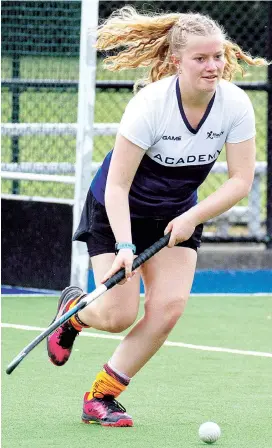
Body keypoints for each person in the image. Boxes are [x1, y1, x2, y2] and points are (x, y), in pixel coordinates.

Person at [47, 6, 268, 427]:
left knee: (168, 308)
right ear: (175, 62)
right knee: (117, 316)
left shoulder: (235, 104)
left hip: (178, 211)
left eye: (217, 56)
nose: (213, 66)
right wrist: (126, 247)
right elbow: (116, 185)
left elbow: (240, 180)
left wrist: (192, 216)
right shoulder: (150, 105)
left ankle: (101, 397)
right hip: (118, 210)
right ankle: (74, 313)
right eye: (200, 59)